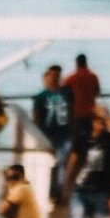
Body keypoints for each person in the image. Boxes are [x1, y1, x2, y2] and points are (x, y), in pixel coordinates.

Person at [68, 108, 110, 218]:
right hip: (81, 188)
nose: (101, 124)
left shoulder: (109, 139)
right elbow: (72, 161)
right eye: (98, 121)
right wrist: (67, 183)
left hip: (100, 190)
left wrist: (105, 116)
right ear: (92, 122)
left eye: (103, 122)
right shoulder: (82, 138)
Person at [32, 64, 73, 195]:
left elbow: (72, 112)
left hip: (64, 134)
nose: (55, 78)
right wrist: (38, 135)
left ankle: (57, 191)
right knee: (49, 162)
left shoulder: (67, 93)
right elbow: (37, 117)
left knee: (61, 163)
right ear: (48, 75)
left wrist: (74, 129)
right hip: (48, 134)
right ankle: (47, 189)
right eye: (53, 75)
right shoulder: (41, 97)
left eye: (57, 75)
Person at [66, 52, 103, 133]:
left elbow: (64, 94)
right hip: (90, 112)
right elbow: (97, 92)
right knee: (89, 136)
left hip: (76, 113)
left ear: (76, 63)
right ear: (86, 62)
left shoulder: (71, 79)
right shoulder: (93, 77)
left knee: (77, 137)